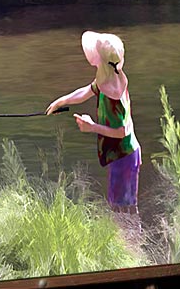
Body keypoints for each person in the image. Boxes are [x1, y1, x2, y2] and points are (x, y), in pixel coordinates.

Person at [46, 31, 141, 215]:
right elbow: (86, 91)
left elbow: (122, 131)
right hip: (125, 153)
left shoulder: (112, 93)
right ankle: (130, 240)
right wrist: (61, 101)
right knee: (123, 206)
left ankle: (130, 242)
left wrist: (92, 127)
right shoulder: (113, 75)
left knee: (122, 210)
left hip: (124, 155)